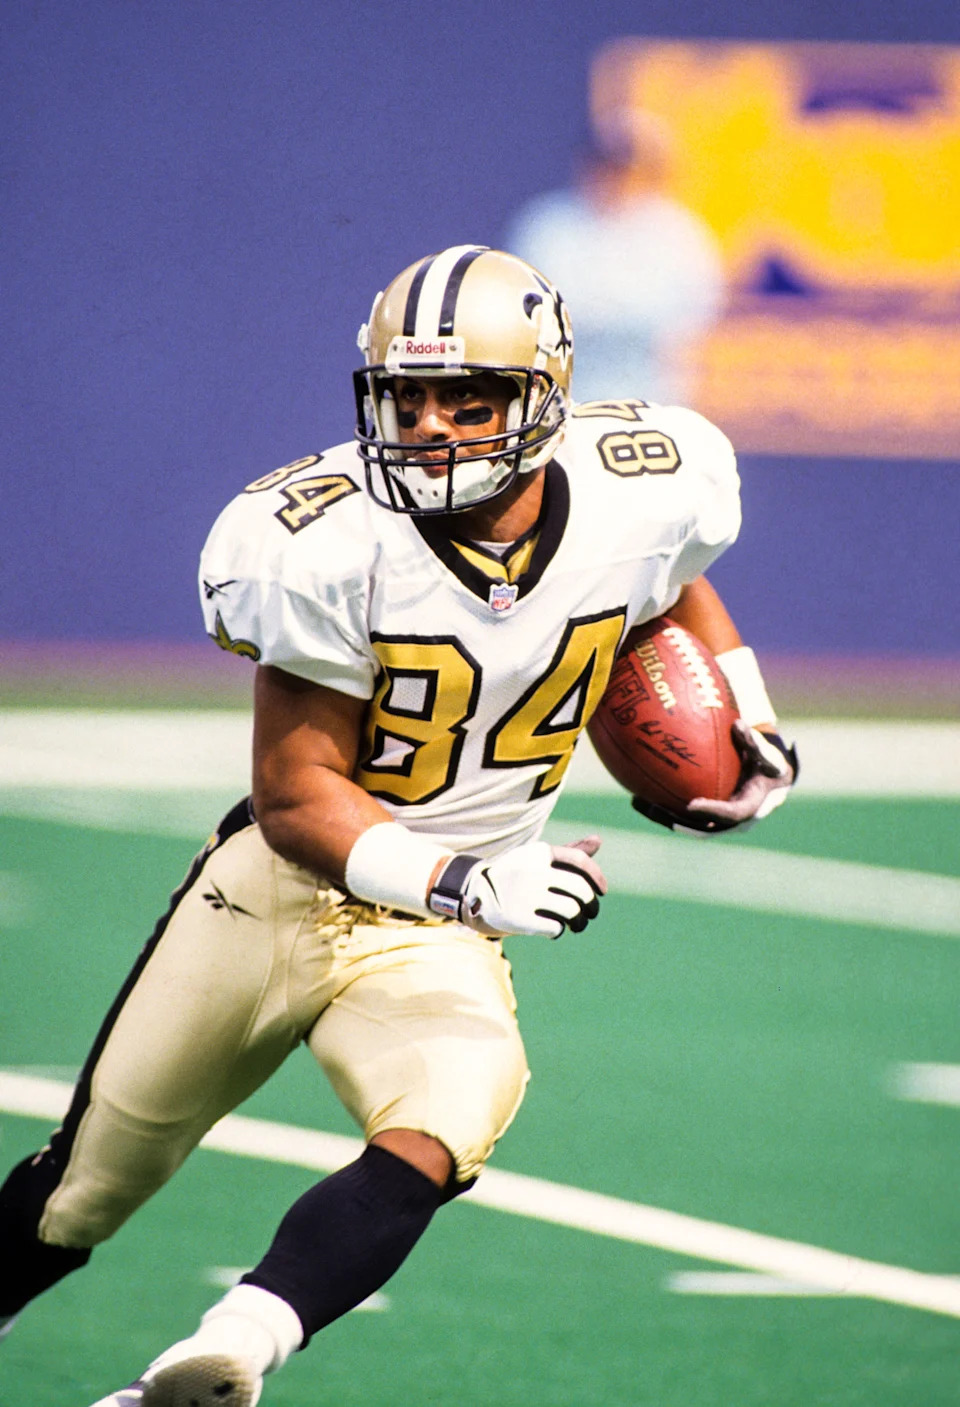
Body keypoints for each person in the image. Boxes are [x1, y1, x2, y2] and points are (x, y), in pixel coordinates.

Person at [0, 245, 797, 1406]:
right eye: (405, 398)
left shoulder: (643, 483)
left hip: (434, 929)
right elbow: (294, 795)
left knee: (447, 1114)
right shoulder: (326, 540)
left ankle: (221, 1355)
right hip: (278, 895)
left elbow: (666, 578)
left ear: (544, 397)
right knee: (85, 1192)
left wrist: (749, 707)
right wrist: (473, 882)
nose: (428, 427)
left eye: (465, 399)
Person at [504, 108, 725, 406]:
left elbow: (694, 318)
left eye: (624, 167)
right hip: (562, 402)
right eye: (603, 165)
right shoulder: (547, 227)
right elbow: (528, 315)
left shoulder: (680, 234)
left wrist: (604, 317)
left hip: (652, 401)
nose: (612, 178)